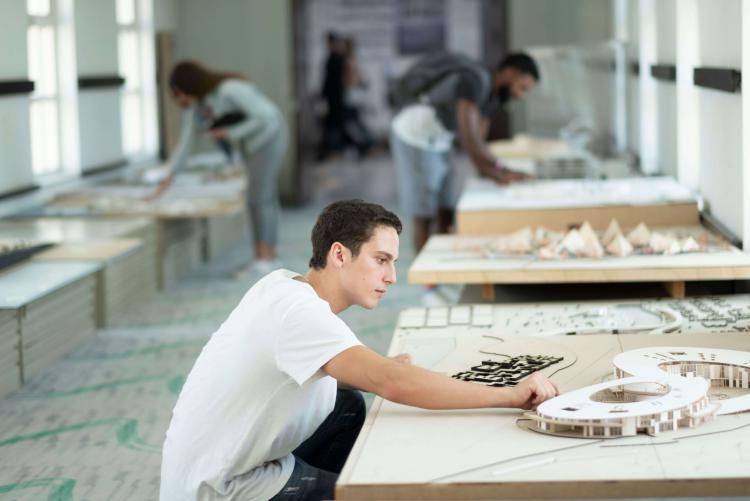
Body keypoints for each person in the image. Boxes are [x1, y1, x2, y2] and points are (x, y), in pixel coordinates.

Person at [159, 199, 560, 501]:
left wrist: (380, 372)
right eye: (381, 260)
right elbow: (394, 383)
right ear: (339, 254)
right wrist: (508, 395)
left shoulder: (284, 285)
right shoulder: (299, 315)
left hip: (210, 463)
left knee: (346, 404)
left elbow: (370, 373)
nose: (391, 276)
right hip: (218, 487)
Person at [390, 52, 540, 255]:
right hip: (415, 134)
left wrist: (497, 173)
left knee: (447, 203)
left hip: (439, 138)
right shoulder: (475, 81)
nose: (521, 95)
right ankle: (428, 280)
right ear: (510, 73)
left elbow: (479, 144)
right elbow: (470, 138)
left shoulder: (494, 97)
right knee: (425, 208)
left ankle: (440, 262)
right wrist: (501, 169)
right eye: (522, 88)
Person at [153, 60, 286, 273]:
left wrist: (229, 133)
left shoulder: (229, 90)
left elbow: (266, 116)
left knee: (259, 198)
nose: (180, 100)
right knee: (259, 198)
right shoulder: (198, 107)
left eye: (178, 93)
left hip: (269, 137)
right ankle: (264, 255)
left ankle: (266, 258)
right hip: (251, 146)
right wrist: (169, 176)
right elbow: (186, 143)